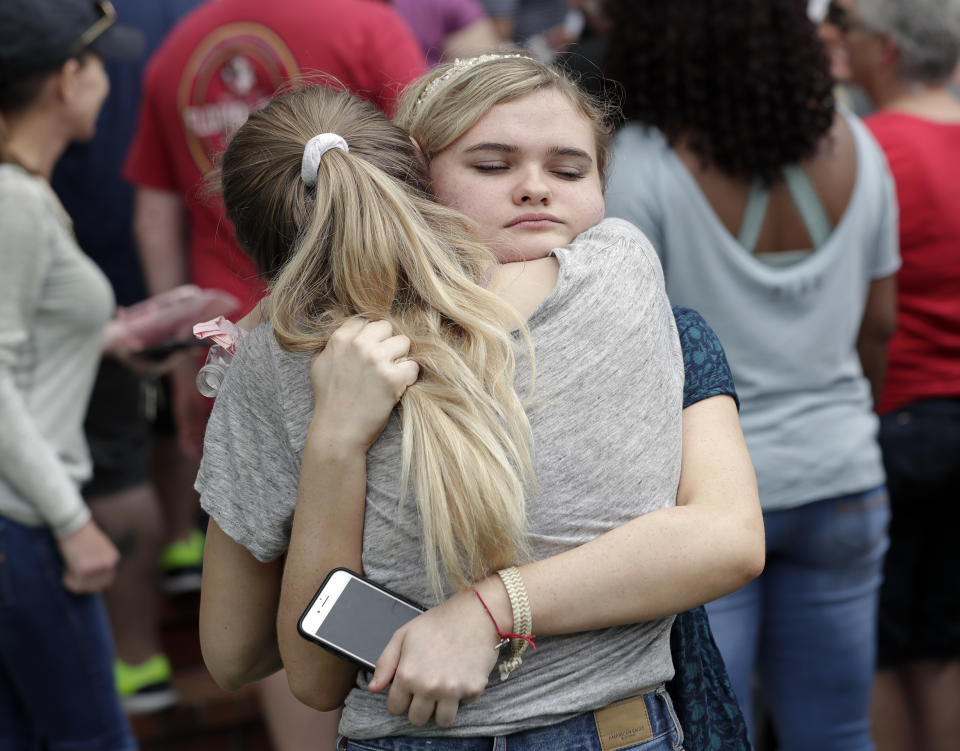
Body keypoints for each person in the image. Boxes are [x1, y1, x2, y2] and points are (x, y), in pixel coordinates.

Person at [197, 52, 762, 749]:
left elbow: (256, 659)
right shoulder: (623, 267)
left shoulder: (280, 353)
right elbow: (726, 537)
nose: (534, 190)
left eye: (568, 170)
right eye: (492, 166)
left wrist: (326, 429)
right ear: (412, 176)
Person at [123, 0, 424, 744]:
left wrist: (196, 356)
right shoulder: (366, 26)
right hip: (390, 317)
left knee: (276, 579)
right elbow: (433, 145)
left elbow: (156, 213)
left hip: (245, 352)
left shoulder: (176, 49)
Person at [603, 0, 899, 749]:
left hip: (702, 503)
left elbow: (624, 347)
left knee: (708, 731)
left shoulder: (641, 161)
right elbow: (879, 324)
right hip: (841, 474)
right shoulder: (858, 146)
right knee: (835, 732)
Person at [51, 0, 209, 714]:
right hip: (166, 249)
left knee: (112, 458)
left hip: (82, 253)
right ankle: (183, 543)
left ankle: (136, 659)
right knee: (166, 399)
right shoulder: (189, 4)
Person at [0, 0, 144, 747]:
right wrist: (72, 520)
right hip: (24, 523)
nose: (107, 84)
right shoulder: (14, 200)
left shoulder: (23, 190)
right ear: (64, 79)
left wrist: (111, 335)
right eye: (96, 67)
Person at [833, 0, 960, 749]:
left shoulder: (864, 152)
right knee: (947, 643)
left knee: (879, 648)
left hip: (894, 416)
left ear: (885, 49)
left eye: (848, 28)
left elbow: (860, 313)